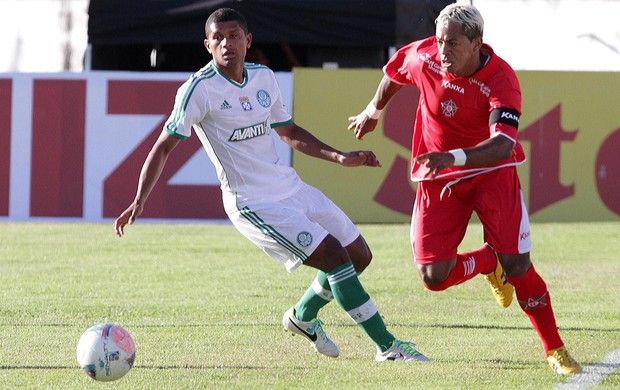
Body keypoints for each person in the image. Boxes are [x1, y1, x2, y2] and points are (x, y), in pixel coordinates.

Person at [114, 8, 429, 363]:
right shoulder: (198, 90)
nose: (226, 43)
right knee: (336, 259)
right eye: (218, 38)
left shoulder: (263, 77)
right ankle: (387, 347)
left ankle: (302, 317)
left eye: (234, 36)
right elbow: (163, 146)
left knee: (359, 256)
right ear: (207, 45)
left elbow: (289, 132)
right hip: (253, 204)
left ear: (248, 41)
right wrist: (140, 199)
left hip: (289, 187)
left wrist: (340, 157)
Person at [348, 3, 582, 374]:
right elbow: (395, 72)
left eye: (453, 43)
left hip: (492, 172)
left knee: (519, 266)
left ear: (477, 43)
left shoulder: (501, 79)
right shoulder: (426, 57)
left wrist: (453, 157)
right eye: (440, 41)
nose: (443, 51)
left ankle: (554, 349)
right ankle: (489, 261)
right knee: (433, 276)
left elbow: (503, 144)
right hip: (441, 177)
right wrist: (372, 112)